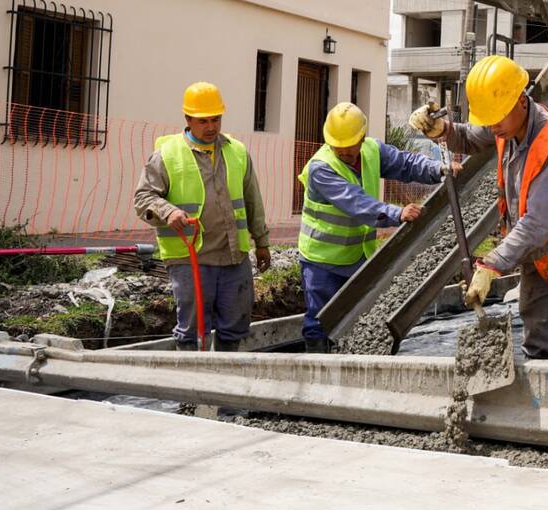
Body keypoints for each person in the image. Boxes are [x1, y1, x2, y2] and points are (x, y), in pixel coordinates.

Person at [409, 55, 548, 361]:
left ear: (521, 101)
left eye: (497, 117)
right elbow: (472, 138)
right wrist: (441, 129)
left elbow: (537, 223)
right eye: (489, 118)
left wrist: (490, 265)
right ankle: (537, 406)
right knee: (538, 346)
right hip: (540, 257)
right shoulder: (505, 125)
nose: (492, 125)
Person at [297, 102, 450, 352]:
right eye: (339, 148)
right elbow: (356, 202)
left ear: (362, 137)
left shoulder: (371, 150)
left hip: (357, 256)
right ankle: (319, 370)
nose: (345, 153)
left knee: (359, 318)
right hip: (322, 260)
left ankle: (354, 366)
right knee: (321, 320)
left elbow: (405, 163)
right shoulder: (321, 168)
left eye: (350, 148)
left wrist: (439, 169)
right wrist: (397, 213)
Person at [134, 82, 270, 351]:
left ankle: (226, 384)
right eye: (203, 121)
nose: (211, 127)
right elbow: (143, 198)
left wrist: (262, 242)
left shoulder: (237, 152)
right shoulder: (167, 154)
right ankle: (191, 387)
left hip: (234, 256)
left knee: (235, 328)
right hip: (191, 257)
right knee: (193, 332)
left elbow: (252, 200)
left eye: (216, 119)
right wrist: (168, 211)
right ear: (188, 119)